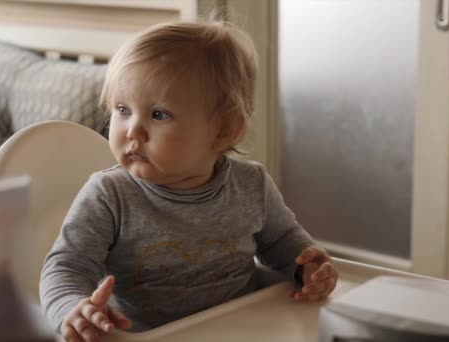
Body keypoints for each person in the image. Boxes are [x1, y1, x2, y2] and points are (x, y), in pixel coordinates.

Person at [40, 20, 338, 341]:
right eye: (122, 110)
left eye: (158, 115)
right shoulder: (109, 195)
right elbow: (66, 267)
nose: (133, 131)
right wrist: (73, 308)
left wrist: (308, 266)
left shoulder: (251, 184)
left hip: (239, 329)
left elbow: (282, 242)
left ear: (224, 130)